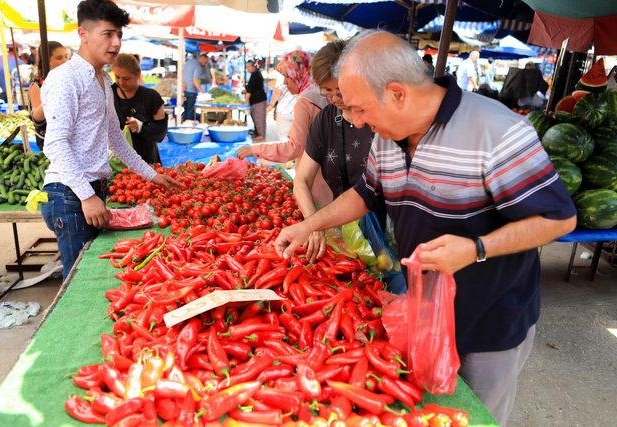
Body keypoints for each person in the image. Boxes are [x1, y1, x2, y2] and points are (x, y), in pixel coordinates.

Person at [274, 30, 576, 426]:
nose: (355, 121)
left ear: (398, 93)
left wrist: (475, 249)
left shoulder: (496, 132)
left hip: (488, 320)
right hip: (422, 310)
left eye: (360, 109)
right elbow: (365, 193)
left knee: (473, 416)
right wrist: (309, 224)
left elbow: (559, 217)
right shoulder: (387, 138)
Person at [40, 0, 181, 279]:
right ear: (83, 34)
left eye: (119, 35)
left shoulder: (102, 80)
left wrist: (151, 176)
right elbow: (56, 143)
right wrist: (87, 195)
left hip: (88, 191)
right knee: (78, 280)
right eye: (107, 34)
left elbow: (115, 138)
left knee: (92, 271)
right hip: (71, 193)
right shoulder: (64, 79)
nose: (116, 42)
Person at [294, 39, 374, 260]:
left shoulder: (379, 117)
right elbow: (301, 180)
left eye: (340, 90)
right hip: (343, 229)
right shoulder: (326, 119)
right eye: (326, 91)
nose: (334, 98)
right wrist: (313, 224)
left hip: (385, 232)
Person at [237, 50, 331, 206]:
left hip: (316, 177)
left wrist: (254, 150)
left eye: (288, 76)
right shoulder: (321, 93)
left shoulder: (304, 101)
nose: (286, 83)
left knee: (317, 220)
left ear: (299, 74)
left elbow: (294, 148)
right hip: (331, 171)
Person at [112, 53, 167, 164]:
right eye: (117, 77)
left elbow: (161, 132)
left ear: (138, 75)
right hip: (115, 160)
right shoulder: (108, 93)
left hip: (146, 159)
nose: (121, 82)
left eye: (126, 78)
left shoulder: (151, 97)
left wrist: (141, 127)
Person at [28, 41, 69, 151]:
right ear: (47, 61)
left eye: (66, 57)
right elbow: (37, 117)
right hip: (49, 142)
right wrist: (53, 95)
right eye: (59, 58)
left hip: (69, 138)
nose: (65, 61)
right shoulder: (37, 84)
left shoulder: (68, 81)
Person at [244, 60, 267, 141]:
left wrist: (246, 103)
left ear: (253, 67)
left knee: (259, 118)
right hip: (256, 99)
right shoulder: (256, 74)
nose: (247, 69)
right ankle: (257, 133)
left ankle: (261, 135)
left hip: (258, 100)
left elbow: (250, 90)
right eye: (246, 67)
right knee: (256, 118)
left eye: (248, 67)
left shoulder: (255, 74)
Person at [182, 53, 202, 122]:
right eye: (205, 61)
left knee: (186, 109)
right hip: (191, 92)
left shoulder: (187, 62)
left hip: (184, 90)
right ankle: (188, 125)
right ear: (201, 58)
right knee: (190, 110)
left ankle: (184, 123)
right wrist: (202, 92)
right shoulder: (198, 66)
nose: (205, 63)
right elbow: (195, 80)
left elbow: (181, 74)